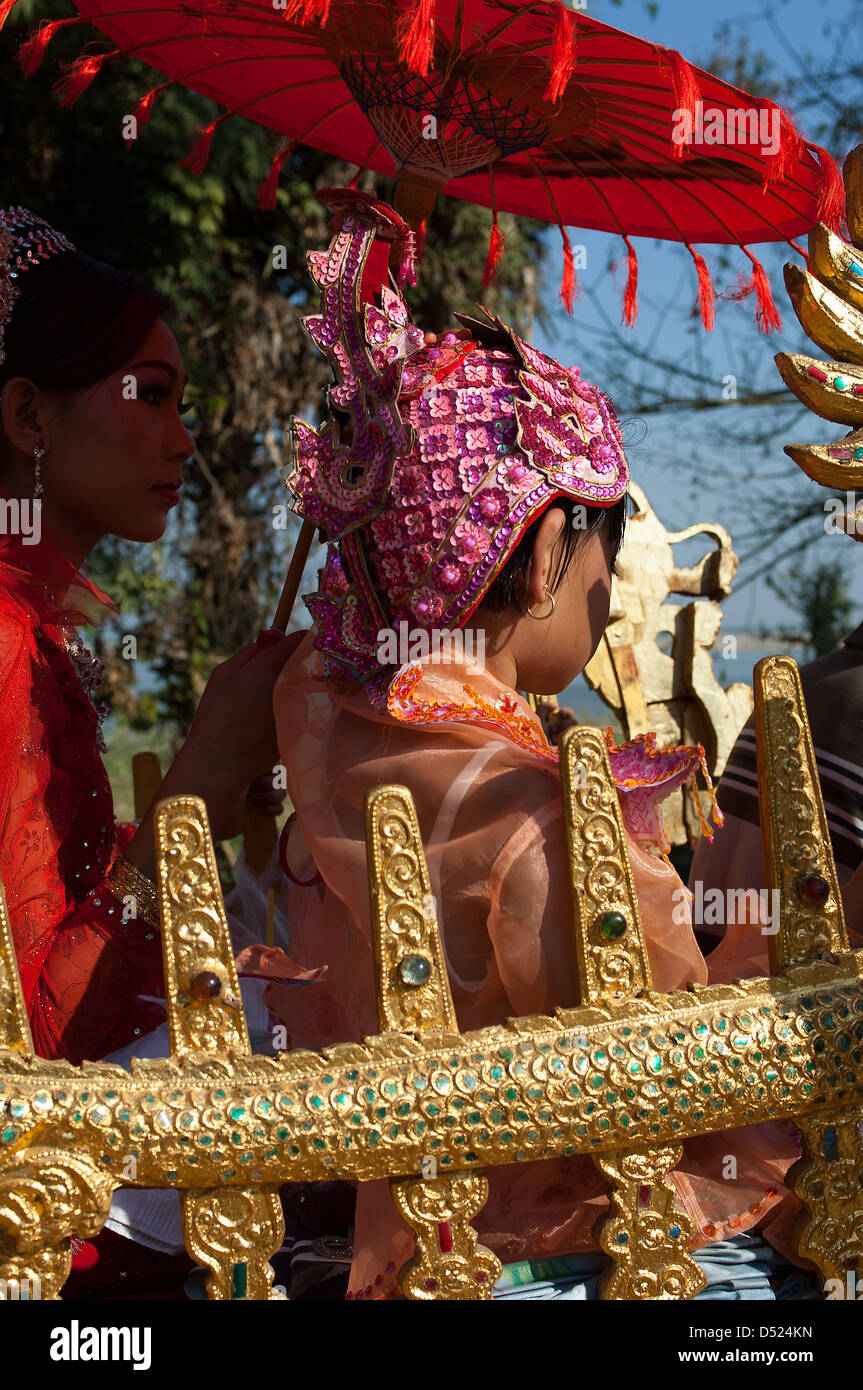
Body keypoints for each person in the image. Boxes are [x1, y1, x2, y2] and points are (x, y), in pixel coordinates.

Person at [245, 190, 815, 1301]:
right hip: (562, 1248)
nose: (607, 593)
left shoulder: (326, 731)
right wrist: (763, 966)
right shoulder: (536, 805)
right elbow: (669, 1058)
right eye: (603, 543)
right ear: (549, 544)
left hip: (397, 1238)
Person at [0, 206, 302, 1293]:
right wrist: (189, 796)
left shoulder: (32, 634)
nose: (183, 439)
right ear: (30, 413)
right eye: (151, 396)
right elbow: (33, 1034)